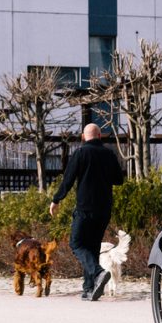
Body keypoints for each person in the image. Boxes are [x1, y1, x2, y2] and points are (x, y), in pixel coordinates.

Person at [49, 122, 124, 301]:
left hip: (85, 208)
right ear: (99, 136)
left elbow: (68, 179)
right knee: (92, 246)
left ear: (83, 137)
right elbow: (119, 180)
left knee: (76, 244)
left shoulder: (80, 153)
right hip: (104, 209)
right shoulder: (109, 154)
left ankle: (98, 273)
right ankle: (89, 288)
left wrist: (56, 199)